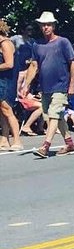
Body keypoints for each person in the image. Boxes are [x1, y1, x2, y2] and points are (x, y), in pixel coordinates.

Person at [20, 11, 74, 159]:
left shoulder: (62, 42)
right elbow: (34, 65)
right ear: (40, 26)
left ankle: (46, 146)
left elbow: (73, 63)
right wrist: (26, 85)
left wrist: (72, 85)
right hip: (45, 86)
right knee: (53, 116)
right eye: (43, 25)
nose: (46, 27)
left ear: (53, 26)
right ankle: (70, 143)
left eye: (49, 25)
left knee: (54, 114)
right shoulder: (37, 44)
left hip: (61, 84)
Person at [0, 19, 20, 154]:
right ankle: (4, 139)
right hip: (2, 80)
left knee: (7, 109)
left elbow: (9, 64)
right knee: (2, 110)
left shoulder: (6, 44)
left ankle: (17, 141)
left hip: (7, 81)